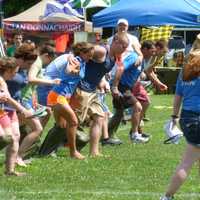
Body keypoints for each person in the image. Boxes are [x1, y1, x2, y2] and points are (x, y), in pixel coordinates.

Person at [160, 50, 200, 199]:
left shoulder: (184, 73)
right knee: (186, 163)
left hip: (186, 118)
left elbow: (178, 97)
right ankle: (167, 197)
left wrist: (174, 116)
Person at [47, 42, 94, 160]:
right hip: (57, 95)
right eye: (89, 55)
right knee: (73, 122)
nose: (90, 58)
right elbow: (68, 70)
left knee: (61, 125)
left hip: (64, 96)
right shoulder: (76, 60)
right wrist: (72, 70)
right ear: (82, 53)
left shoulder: (82, 62)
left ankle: (46, 151)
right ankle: (73, 152)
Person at [0, 57, 32, 176]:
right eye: (14, 72)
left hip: (2, 111)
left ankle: (10, 171)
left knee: (13, 137)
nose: (15, 75)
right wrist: (23, 109)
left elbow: (7, 98)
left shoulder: (2, 81)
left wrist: (22, 109)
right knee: (4, 137)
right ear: (8, 70)